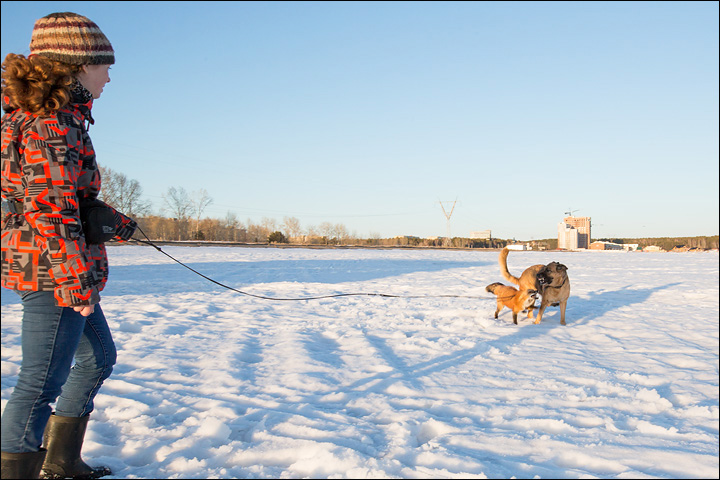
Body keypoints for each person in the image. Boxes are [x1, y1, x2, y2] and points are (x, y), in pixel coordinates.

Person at [1, 12, 136, 479]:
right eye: (104, 65)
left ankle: (60, 463)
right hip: (52, 273)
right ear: (76, 66)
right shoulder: (50, 125)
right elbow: (51, 214)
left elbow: (60, 199)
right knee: (39, 384)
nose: (109, 75)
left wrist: (108, 218)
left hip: (53, 266)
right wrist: (77, 285)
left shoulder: (52, 120)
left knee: (98, 359)